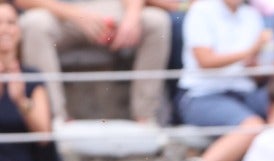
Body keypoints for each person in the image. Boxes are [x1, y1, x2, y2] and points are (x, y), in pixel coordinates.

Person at [15, 0, 171, 124]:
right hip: (59, 13)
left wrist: (132, 17)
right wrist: (76, 15)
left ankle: (145, 117)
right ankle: (54, 118)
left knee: (156, 21)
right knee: (33, 23)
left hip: (113, 9)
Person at [171, 0, 272, 161]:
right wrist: (249, 52)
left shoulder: (252, 15)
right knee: (252, 125)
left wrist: (258, 64)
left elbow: (255, 74)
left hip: (245, 94)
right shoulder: (202, 10)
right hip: (202, 95)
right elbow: (205, 60)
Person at [0, 0, 69, 161]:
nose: (5, 29)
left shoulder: (31, 76)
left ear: (19, 31)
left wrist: (21, 100)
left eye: (11, 23)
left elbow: (44, 136)